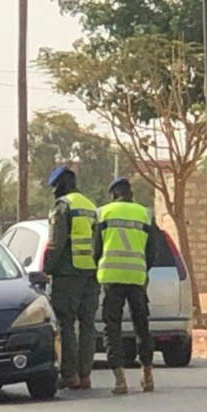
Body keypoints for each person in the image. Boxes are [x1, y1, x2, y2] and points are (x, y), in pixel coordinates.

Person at [94, 177, 156, 395]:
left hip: (111, 278)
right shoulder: (145, 213)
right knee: (142, 326)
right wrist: (142, 270)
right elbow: (152, 251)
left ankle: (120, 380)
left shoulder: (103, 213)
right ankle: (147, 376)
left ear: (114, 194)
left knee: (112, 329)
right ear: (131, 193)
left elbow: (96, 250)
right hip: (137, 278)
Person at [44, 165, 100, 390]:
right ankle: (85, 376)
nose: (53, 192)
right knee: (87, 325)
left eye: (55, 187)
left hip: (68, 274)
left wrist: (45, 269)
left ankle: (69, 376)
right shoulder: (91, 206)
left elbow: (56, 243)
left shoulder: (63, 207)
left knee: (66, 324)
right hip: (91, 273)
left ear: (64, 184)